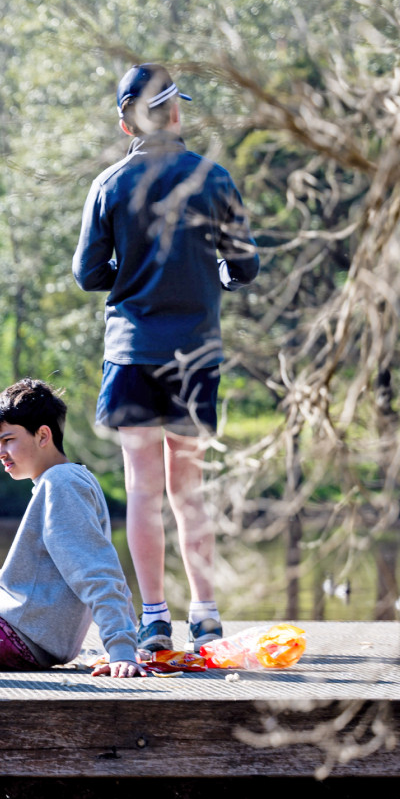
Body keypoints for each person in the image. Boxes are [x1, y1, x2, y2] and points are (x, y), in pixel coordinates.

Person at [72, 62, 259, 651]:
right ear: (177, 114)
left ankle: (153, 618)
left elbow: (87, 273)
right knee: (189, 487)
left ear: (126, 124)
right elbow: (245, 264)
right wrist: (211, 275)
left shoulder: (109, 184)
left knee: (143, 490)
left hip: (132, 354)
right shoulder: (213, 178)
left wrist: (130, 274)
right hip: (195, 356)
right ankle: (205, 614)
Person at [0, 379, 150, 679]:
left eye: (8, 439)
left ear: (43, 435)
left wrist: (122, 648)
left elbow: (97, 571)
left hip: (6, 633)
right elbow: (104, 562)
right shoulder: (70, 479)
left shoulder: (62, 484)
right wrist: (127, 640)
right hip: (6, 628)